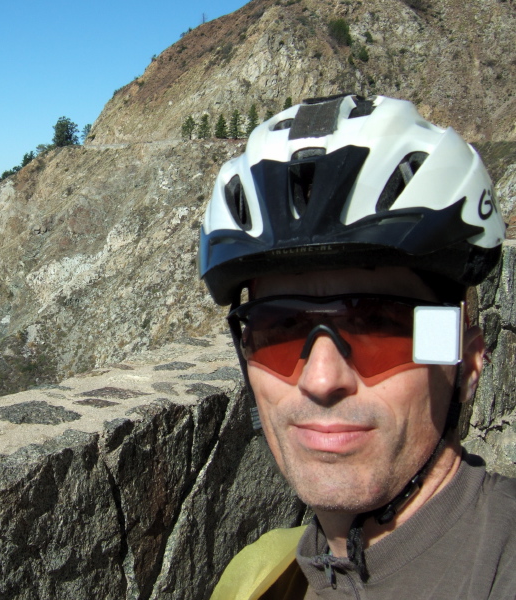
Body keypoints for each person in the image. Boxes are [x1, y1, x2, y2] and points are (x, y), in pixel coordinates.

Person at [199, 94, 516, 599]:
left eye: (377, 323)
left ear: (468, 361)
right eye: (278, 329)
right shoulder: (255, 579)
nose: (322, 380)